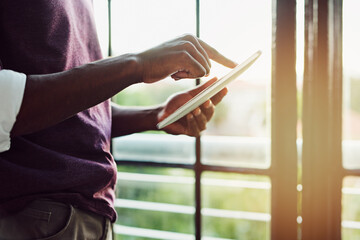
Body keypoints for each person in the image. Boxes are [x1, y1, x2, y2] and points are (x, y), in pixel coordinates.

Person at [0, 1, 237, 239]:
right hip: (32, 214)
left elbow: (79, 112)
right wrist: (138, 64)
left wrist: (155, 115)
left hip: (90, 215)